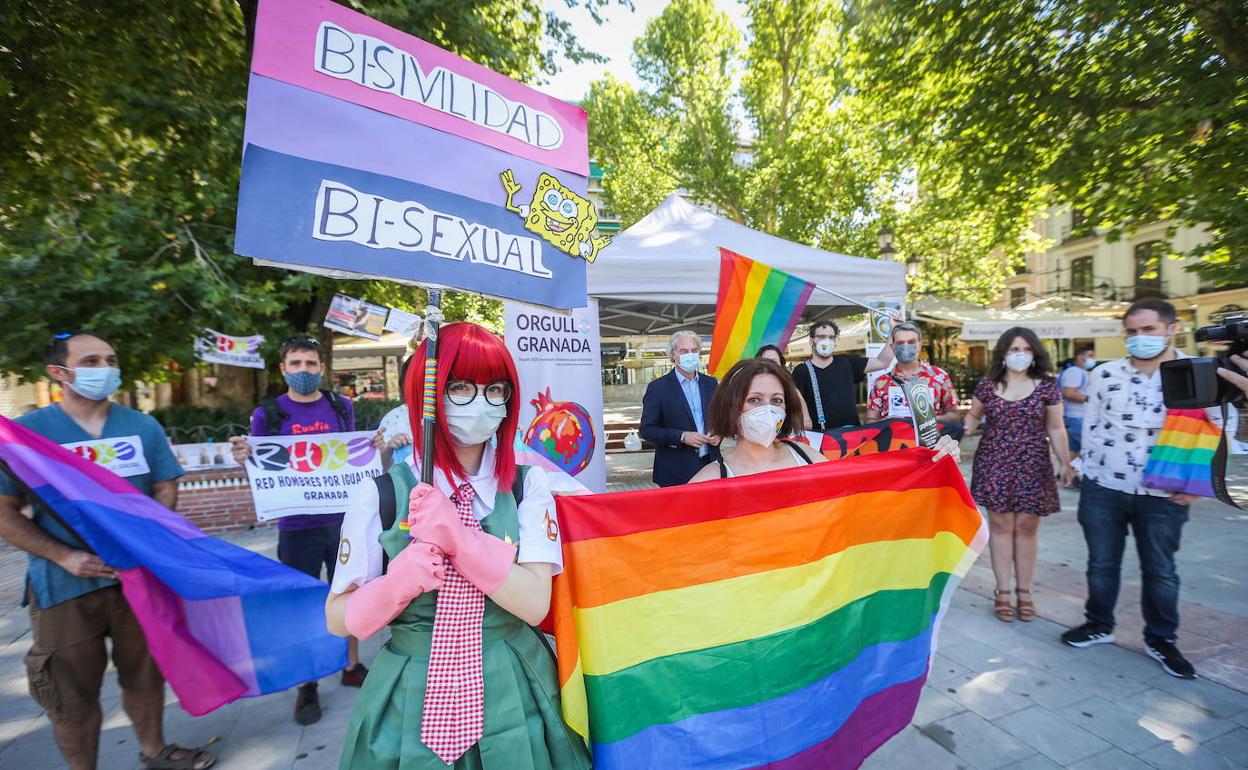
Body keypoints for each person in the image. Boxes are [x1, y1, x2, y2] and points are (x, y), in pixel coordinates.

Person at [324, 323, 589, 770]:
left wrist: (462, 539)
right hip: (410, 691)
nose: (480, 403)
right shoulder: (382, 495)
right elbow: (339, 619)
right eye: (460, 387)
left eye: (495, 389)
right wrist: (398, 582)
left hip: (513, 682)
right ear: (426, 396)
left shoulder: (528, 485)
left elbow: (533, 602)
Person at [0, 332, 215, 770]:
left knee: (145, 674)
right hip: (64, 586)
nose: (105, 368)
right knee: (71, 695)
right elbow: (5, 512)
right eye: (92, 360)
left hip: (137, 578)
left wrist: (146, 541)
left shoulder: (141, 426)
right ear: (59, 372)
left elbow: (165, 485)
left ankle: (154, 751)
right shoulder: (30, 436)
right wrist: (64, 557)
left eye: (110, 359)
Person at [229, 334, 382, 724]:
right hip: (296, 527)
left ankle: (350, 666)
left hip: (343, 522)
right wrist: (244, 456)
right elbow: (260, 469)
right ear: (283, 369)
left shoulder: (340, 406)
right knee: (302, 602)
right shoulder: (268, 413)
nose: (303, 371)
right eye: (295, 364)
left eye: (310, 364)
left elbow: (354, 454)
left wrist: (378, 447)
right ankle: (308, 683)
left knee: (348, 591)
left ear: (322, 368)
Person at [1060, 298, 1209, 679]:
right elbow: (1090, 426)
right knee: (1101, 564)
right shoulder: (1105, 374)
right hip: (1104, 487)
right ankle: (1099, 624)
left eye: (1148, 330)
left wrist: (1196, 485)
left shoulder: (1194, 373)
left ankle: (1161, 640)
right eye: (1131, 332)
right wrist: (1082, 471)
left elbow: (1212, 432)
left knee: (1160, 570)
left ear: (1171, 328)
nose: (1138, 338)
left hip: (1164, 493)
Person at [690, 358, 960, 483]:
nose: (767, 410)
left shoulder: (807, 457)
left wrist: (931, 460)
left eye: (776, 401)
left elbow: (869, 487)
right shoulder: (710, 480)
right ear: (731, 407)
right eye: (754, 400)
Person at [963, 327, 1073, 623]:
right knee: (999, 525)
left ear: (1034, 352)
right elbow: (973, 415)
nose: (1019, 354)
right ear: (1003, 353)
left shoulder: (1047, 386)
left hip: (1033, 463)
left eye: (1025, 349)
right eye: (1013, 349)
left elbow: (1056, 427)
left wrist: (1066, 462)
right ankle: (1002, 592)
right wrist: (967, 427)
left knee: (1026, 527)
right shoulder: (988, 385)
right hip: (994, 461)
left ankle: (1024, 590)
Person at [639, 330, 721, 486]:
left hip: (710, 466)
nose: (690, 354)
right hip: (675, 472)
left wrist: (719, 434)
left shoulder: (710, 384)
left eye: (694, 350)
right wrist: (681, 436)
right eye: (684, 351)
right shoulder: (658, 388)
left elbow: (720, 418)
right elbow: (647, 430)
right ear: (673, 355)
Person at [791, 320, 895, 432]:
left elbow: (883, 362)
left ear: (835, 342)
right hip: (822, 436)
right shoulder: (802, 370)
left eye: (831, 337)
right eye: (822, 337)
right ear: (811, 341)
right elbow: (796, 402)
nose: (827, 341)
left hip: (852, 434)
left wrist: (894, 331)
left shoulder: (848, 362)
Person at [865, 322, 961, 428]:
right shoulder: (881, 382)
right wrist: (887, 422)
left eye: (911, 342)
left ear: (919, 345)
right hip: (893, 442)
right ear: (892, 347)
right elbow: (870, 421)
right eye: (900, 343)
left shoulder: (939, 377)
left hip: (929, 443)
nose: (906, 346)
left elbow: (955, 416)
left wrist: (931, 419)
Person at [1059, 344, 1096, 457]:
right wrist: (1093, 400)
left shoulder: (1079, 372)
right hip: (1076, 417)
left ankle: (1066, 472)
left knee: (1073, 449)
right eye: (1091, 356)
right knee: (1088, 449)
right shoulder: (1075, 372)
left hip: (1076, 417)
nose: (1093, 359)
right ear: (1080, 358)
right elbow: (1069, 393)